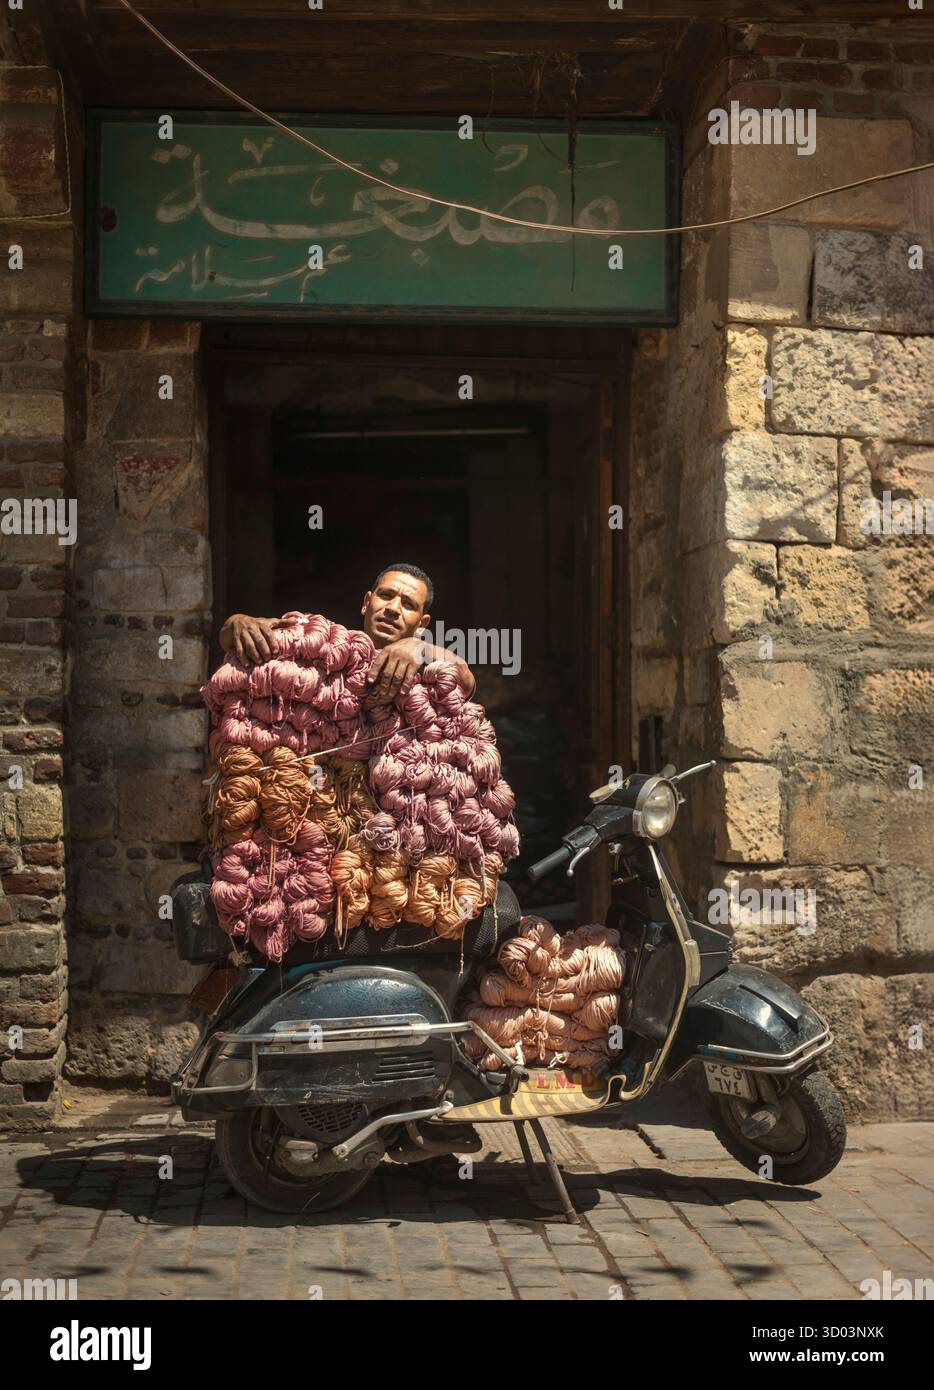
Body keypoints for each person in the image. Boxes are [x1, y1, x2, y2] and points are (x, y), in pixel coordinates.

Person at [219, 563, 476, 703]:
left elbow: (465, 680)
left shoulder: (427, 663)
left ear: (422, 623)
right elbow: (230, 640)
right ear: (367, 602)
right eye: (386, 595)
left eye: (408, 604)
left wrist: (421, 648)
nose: (393, 609)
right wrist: (236, 622)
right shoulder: (327, 651)